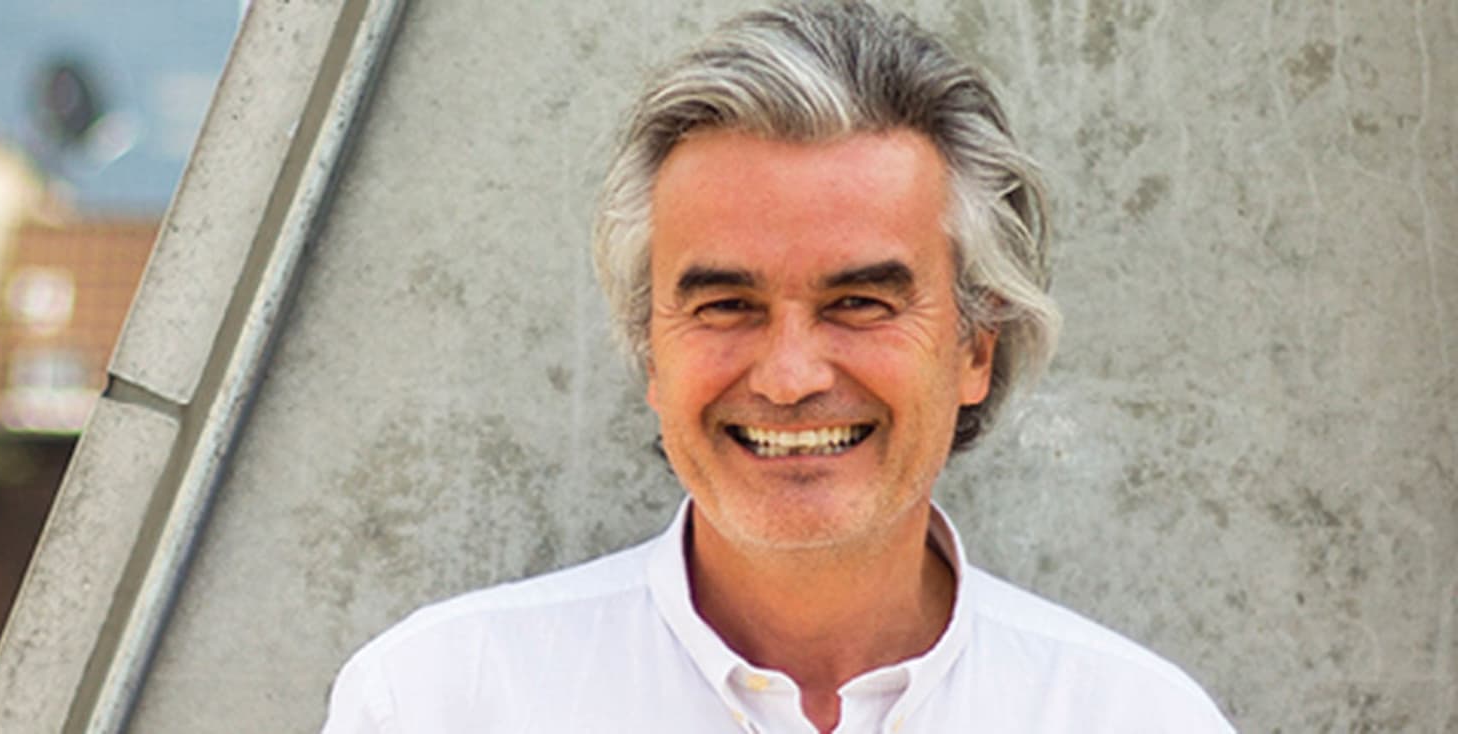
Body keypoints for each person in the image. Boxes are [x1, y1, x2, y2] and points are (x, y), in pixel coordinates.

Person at [322, 2, 1233, 731]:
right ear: (651, 350)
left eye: (860, 303)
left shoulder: (1136, 716)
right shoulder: (440, 701)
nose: (790, 375)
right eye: (726, 306)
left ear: (975, 349)